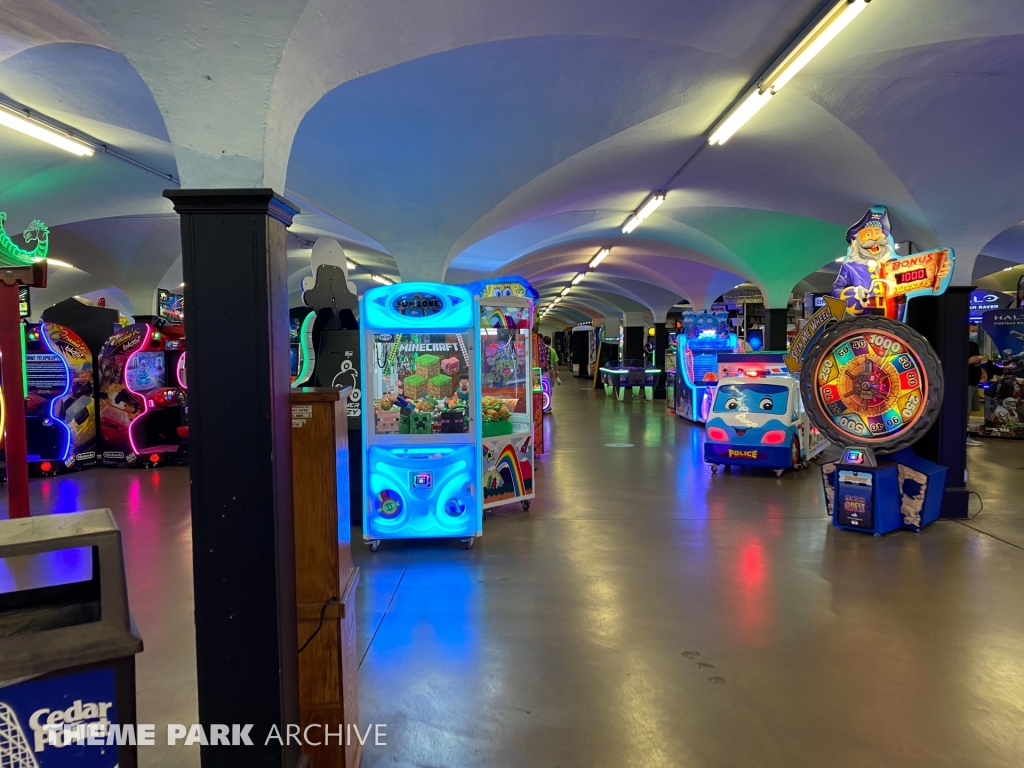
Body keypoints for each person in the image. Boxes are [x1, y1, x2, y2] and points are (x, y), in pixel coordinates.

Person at [967, 338, 985, 446]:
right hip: (965, 382)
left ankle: (967, 434)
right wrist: (968, 361)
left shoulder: (973, 344)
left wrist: (982, 371)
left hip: (974, 382)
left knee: (970, 411)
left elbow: (977, 362)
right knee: (966, 412)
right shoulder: (956, 345)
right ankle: (964, 436)